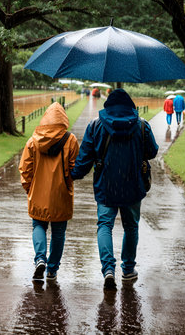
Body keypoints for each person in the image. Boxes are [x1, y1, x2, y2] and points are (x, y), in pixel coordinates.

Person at [71, 89, 158, 289]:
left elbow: (84, 159)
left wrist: (72, 175)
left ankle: (108, 269)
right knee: (131, 227)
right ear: (131, 105)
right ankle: (127, 270)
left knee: (104, 226)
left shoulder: (95, 125)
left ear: (107, 105)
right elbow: (152, 152)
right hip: (132, 184)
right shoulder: (142, 125)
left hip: (106, 185)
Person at [19, 102, 79, 281]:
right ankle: (52, 270)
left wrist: (30, 188)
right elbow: (74, 168)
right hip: (61, 193)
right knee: (59, 232)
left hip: (38, 192)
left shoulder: (33, 141)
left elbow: (25, 170)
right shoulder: (71, 140)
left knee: (38, 225)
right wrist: (66, 184)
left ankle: (40, 259)